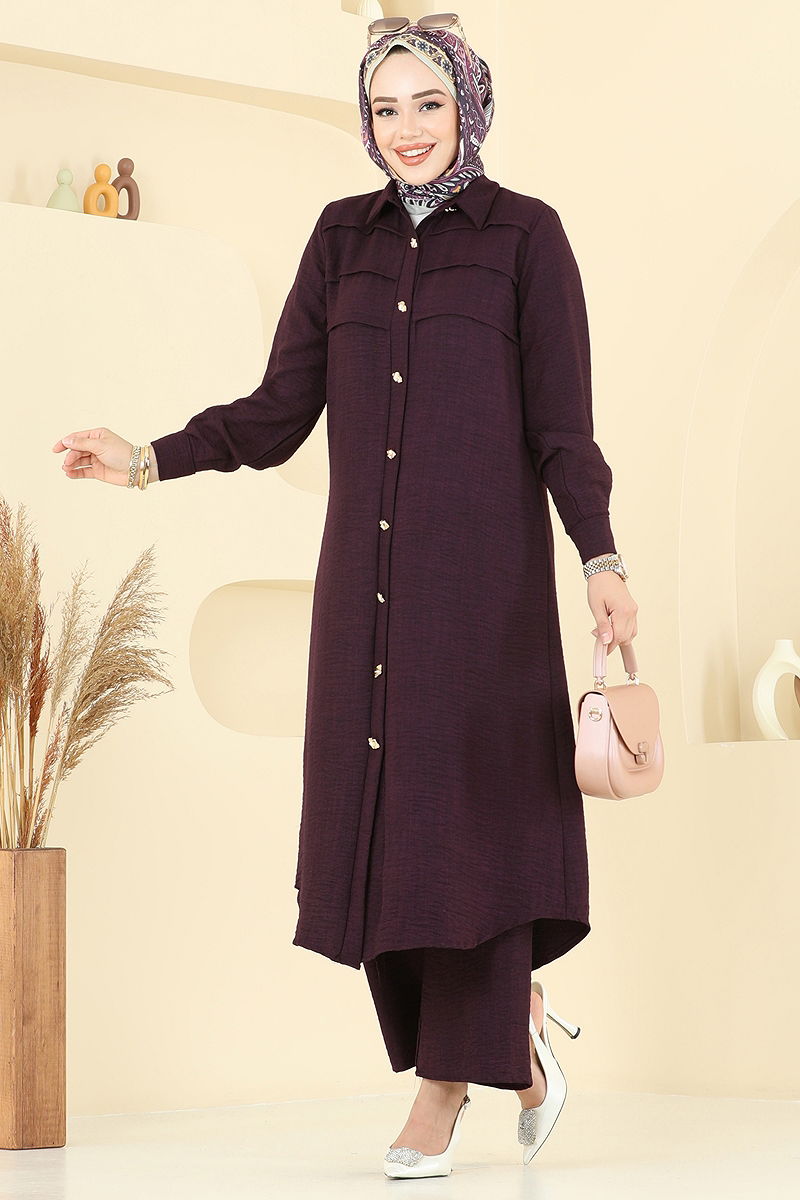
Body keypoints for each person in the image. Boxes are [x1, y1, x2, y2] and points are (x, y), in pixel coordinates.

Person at [51, 13, 638, 1178]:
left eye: (428, 104)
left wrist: (600, 560)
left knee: (464, 832)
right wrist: (148, 457)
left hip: (484, 600)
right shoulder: (340, 240)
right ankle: (512, 1035)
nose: (406, 129)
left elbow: (562, 430)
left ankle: (441, 1090)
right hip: (364, 599)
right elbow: (278, 412)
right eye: (384, 108)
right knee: (378, 829)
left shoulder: (526, 237)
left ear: (467, 105)